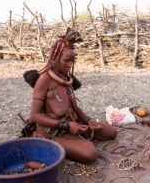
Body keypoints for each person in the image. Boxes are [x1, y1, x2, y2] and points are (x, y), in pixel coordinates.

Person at [22, 28, 117, 163]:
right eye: (66, 60)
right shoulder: (44, 80)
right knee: (91, 154)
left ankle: (76, 140)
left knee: (111, 132)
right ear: (55, 58)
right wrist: (67, 126)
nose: (70, 65)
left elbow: (75, 108)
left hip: (74, 123)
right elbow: (34, 116)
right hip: (53, 132)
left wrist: (89, 121)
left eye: (73, 60)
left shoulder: (66, 77)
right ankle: (57, 145)